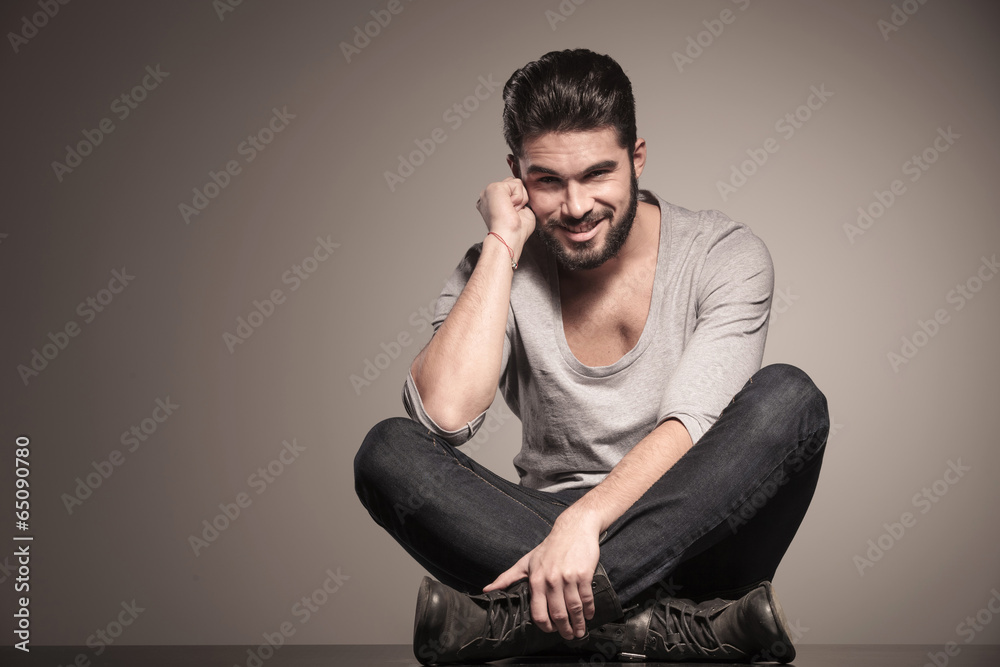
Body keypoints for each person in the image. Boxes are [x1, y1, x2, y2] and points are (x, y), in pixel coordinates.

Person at [354, 48, 830, 665]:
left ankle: (527, 621)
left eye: (598, 174)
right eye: (548, 180)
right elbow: (442, 416)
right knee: (387, 451)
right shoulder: (495, 270)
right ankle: (654, 626)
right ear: (515, 175)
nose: (576, 207)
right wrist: (502, 242)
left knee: (790, 398)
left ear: (636, 158)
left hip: (697, 540)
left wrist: (585, 525)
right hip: (539, 532)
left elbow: (691, 426)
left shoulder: (724, 255)